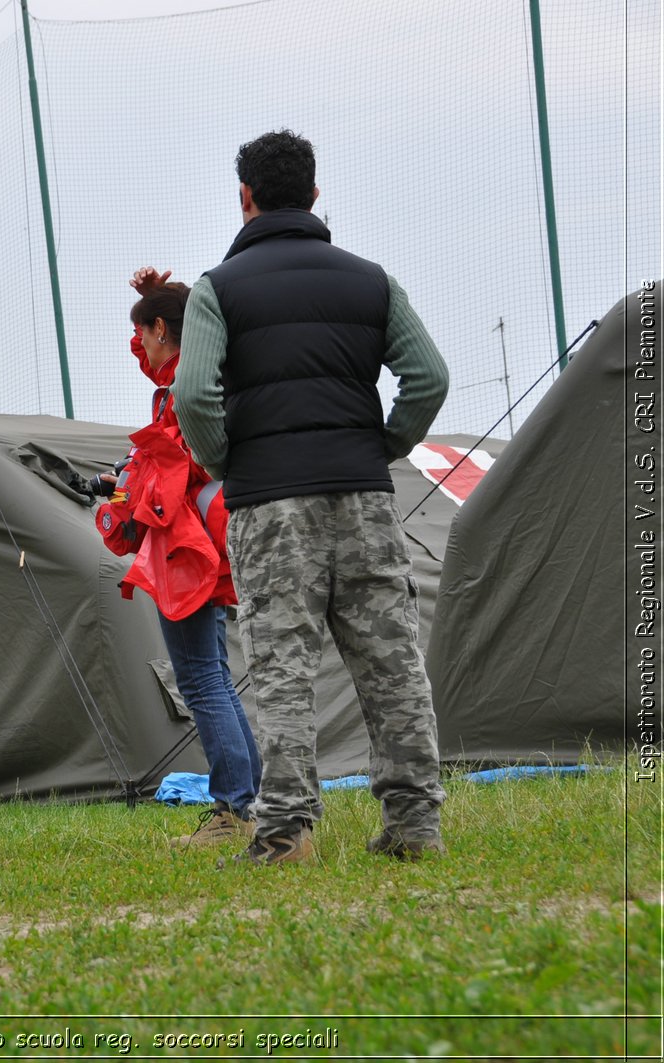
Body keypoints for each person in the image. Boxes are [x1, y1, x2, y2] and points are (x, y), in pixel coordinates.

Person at [173, 130, 451, 866]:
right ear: (316, 195)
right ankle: (414, 824)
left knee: (283, 668)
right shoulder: (371, 280)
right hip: (362, 495)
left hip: (269, 504)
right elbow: (428, 377)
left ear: (245, 198)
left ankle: (287, 830)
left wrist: (226, 460)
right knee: (391, 662)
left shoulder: (217, 290)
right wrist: (382, 446)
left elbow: (194, 394)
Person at [96, 268, 261, 847]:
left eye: (143, 332)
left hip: (184, 542)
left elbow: (174, 470)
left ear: (163, 330)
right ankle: (246, 798)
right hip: (203, 537)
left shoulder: (186, 388)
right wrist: (150, 301)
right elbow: (160, 356)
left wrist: (132, 490)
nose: (137, 344)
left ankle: (232, 807)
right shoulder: (192, 375)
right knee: (211, 673)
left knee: (199, 679)